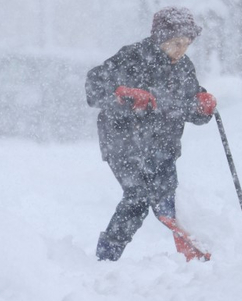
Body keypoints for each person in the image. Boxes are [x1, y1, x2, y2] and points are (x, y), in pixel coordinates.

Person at [85, 6, 217, 262]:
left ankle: (190, 253)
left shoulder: (184, 67)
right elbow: (94, 86)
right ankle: (108, 257)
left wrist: (203, 107)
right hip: (124, 143)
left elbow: (187, 106)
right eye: (175, 43)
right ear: (160, 39)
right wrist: (123, 95)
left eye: (186, 44)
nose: (181, 49)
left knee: (156, 201)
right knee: (143, 197)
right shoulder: (132, 57)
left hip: (164, 146)